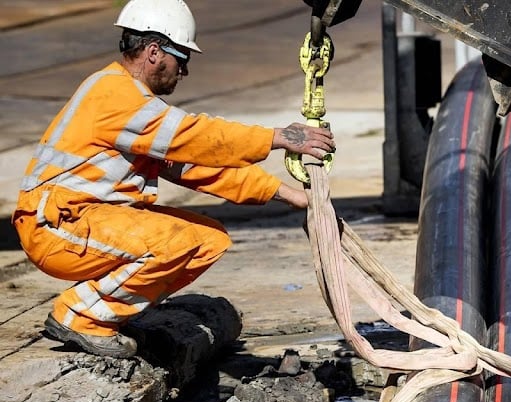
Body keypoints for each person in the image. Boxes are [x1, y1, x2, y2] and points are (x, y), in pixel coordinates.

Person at [11, 0, 334, 358]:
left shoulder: (134, 105)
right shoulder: (115, 95)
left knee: (207, 240)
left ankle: (110, 313)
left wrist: (287, 194)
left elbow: (195, 166)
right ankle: (82, 316)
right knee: (173, 244)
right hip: (59, 225)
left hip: (84, 220)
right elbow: (195, 137)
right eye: (182, 59)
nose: (184, 72)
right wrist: (276, 137)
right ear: (153, 52)